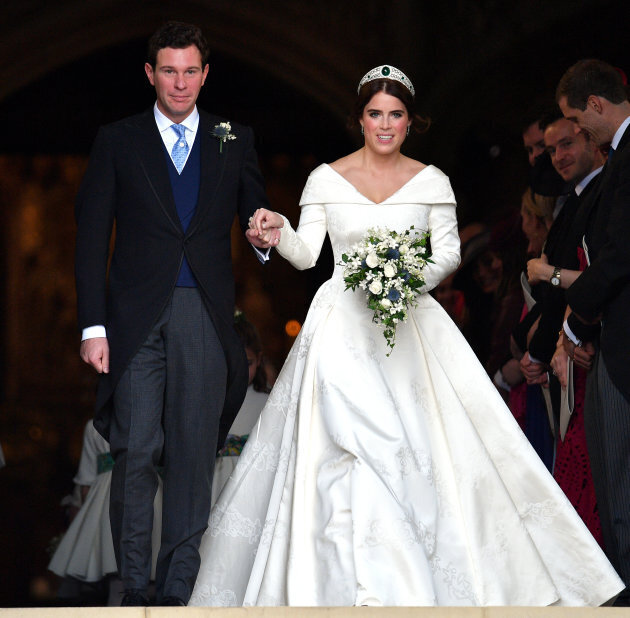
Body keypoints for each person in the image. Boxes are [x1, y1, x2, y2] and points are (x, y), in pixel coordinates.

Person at [189, 65, 623, 607]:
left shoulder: (432, 180)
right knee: (345, 447)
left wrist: (401, 272)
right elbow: (307, 254)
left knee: (428, 448)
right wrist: (278, 232)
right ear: (360, 118)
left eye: (396, 114)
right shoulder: (326, 178)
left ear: (410, 120)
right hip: (341, 330)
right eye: (375, 114)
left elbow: (449, 254)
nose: (385, 124)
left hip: (410, 327)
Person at [74, 21, 277, 606]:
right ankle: (135, 588)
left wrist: (264, 231)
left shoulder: (234, 138)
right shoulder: (118, 139)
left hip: (205, 315)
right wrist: (93, 326)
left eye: (191, 71)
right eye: (169, 70)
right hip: (133, 320)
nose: (180, 82)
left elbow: (255, 214)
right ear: (150, 74)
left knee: (193, 454)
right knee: (136, 450)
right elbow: (91, 237)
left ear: (205, 74)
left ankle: (177, 592)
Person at [556, 59, 630, 604]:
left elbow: (618, 254)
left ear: (598, 105)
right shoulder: (620, 159)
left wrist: (576, 319)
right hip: (612, 332)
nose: (578, 131)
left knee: (620, 482)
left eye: (578, 121)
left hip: (621, 340)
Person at [211, 311, 271, 505]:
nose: (239, 371)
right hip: (213, 485)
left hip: (251, 491)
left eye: (247, 363)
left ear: (259, 359)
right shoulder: (210, 401)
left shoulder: (269, 403)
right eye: (231, 363)